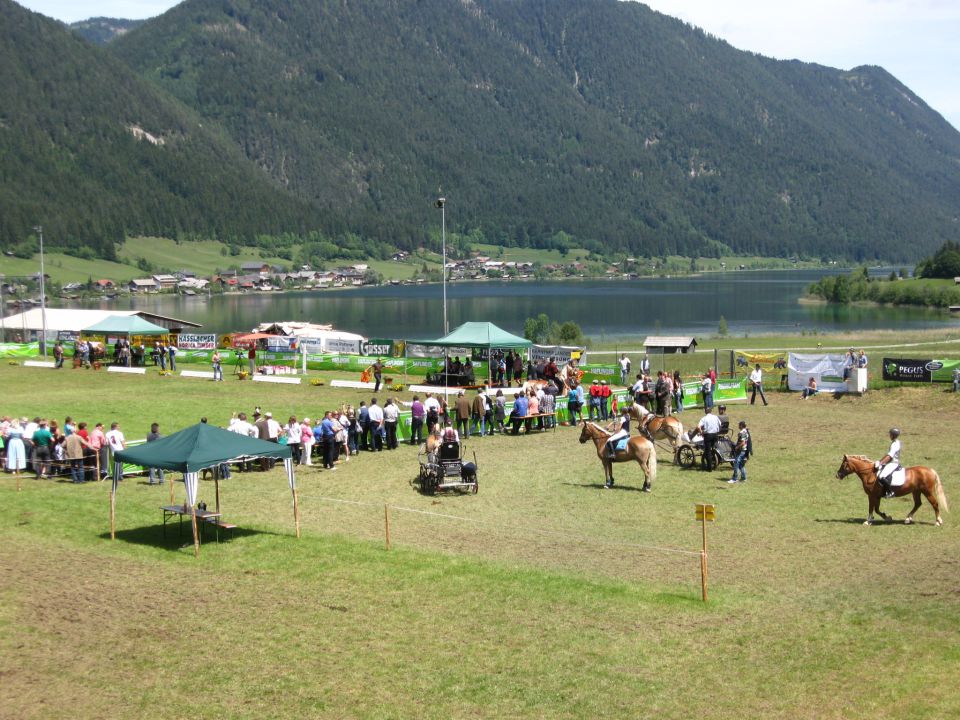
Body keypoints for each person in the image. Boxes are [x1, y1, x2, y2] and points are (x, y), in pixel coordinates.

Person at [604, 406, 632, 474]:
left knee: (609, 440)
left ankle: (612, 454)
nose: (620, 411)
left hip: (623, 432)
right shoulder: (628, 416)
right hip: (628, 432)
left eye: (621, 411)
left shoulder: (622, 417)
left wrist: (615, 433)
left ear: (622, 411)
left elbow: (619, 426)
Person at [876, 428, 902, 498]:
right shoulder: (896, 442)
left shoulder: (895, 444)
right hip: (891, 463)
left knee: (881, 476)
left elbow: (890, 456)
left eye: (890, 434)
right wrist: (880, 461)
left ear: (893, 435)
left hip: (893, 463)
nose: (889, 435)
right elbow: (887, 455)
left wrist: (880, 463)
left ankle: (890, 492)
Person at [697, 407, 721, 472]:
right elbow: (720, 424)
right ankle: (714, 460)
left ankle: (709, 468)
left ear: (705, 411)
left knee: (708, 451)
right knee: (713, 449)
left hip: (708, 435)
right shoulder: (716, 417)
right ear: (711, 411)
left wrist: (701, 432)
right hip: (715, 435)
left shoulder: (704, 418)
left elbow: (698, 427)